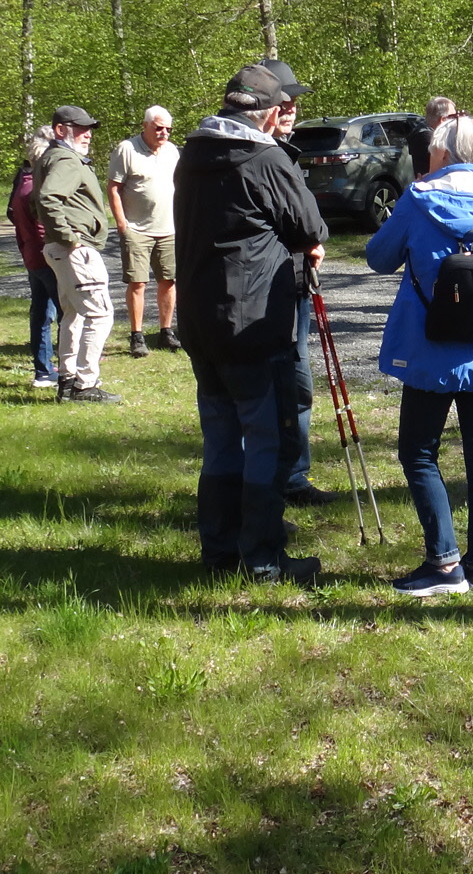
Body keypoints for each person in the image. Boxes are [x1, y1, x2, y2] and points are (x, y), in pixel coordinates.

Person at [174, 64, 329, 585]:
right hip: (251, 322)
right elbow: (309, 226)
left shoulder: (192, 153)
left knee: (221, 439)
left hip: (202, 319)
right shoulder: (263, 158)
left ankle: (219, 551)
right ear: (266, 115)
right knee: (268, 441)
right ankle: (263, 559)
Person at [367, 115, 473, 596]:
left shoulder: (418, 200)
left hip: (428, 350)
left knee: (418, 452)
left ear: (444, 154)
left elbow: (378, 257)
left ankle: (443, 564)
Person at [256, 58, 335, 506]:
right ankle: (278, 479)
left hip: (296, 281)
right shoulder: (260, 154)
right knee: (279, 386)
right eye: (283, 101)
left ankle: (292, 476)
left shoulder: (284, 150)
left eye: (294, 101)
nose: (290, 108)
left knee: (297, 383)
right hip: (270, 287)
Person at [35, 105, 120, 404]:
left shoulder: (52, 157)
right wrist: (72, 240)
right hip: (74, 249)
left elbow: (40, 200)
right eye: (81, 129)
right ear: (61, 130)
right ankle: (85, 385)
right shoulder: (66, 159)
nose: (88, 135)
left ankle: (68, 381)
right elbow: (47, 199)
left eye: (89, 129)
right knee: (100, 314)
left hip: (62, 249)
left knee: (73, 314)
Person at [109, 105, 180, 358]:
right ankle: (136, 335)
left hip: (168, 228)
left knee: (168, 281)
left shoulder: (171, 151)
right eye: (158, 128)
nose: (164, 133)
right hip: (137, 229)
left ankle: (166, 331)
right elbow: (113, 188)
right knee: (138, 282)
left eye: (168, 129)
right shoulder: (127, 149)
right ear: (145, 126)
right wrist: (122, 223)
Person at [7, 126, 61, 388]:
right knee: (67, 313)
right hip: (46, 255)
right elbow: (46, 225)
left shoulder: (24, 179)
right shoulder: (37, 186)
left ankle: (44, 370)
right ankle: (70, 371)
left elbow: (12, 215)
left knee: (41, 312)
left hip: (31, 253)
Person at [409, 96, 459, 179]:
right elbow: (447, 165)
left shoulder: (426, 132)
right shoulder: (426, 137)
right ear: (443, 119)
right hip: (432, 184)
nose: (456, 121)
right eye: (454, 117)